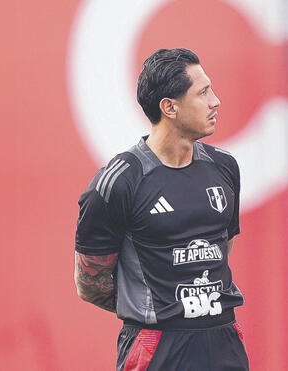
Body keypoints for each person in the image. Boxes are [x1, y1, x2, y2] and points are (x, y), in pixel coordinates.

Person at [74, 48, 249, 371]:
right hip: (157, 346)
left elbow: (223, 249)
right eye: (203, 92)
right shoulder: (119, 181)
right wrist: (158, 308)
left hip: (224, 341)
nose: (216, 101)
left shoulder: (225, 166)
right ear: (169, 107)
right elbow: (90, 283)